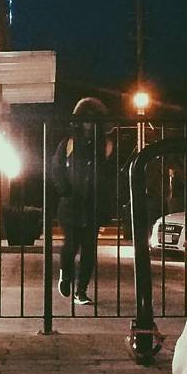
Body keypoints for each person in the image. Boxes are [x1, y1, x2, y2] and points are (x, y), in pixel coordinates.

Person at [51, 97, 113, 307]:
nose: (90, 125)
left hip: (93, 205)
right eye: (86, 120)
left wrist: (105, 200)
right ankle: (66, 275)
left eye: (94, 121)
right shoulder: (68, 144)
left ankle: (81, 291)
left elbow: (109, 175)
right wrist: (65, 191)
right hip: (71, 204)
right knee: (70, 245)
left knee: (89, 249)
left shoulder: (105, 145)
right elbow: (56, 169)